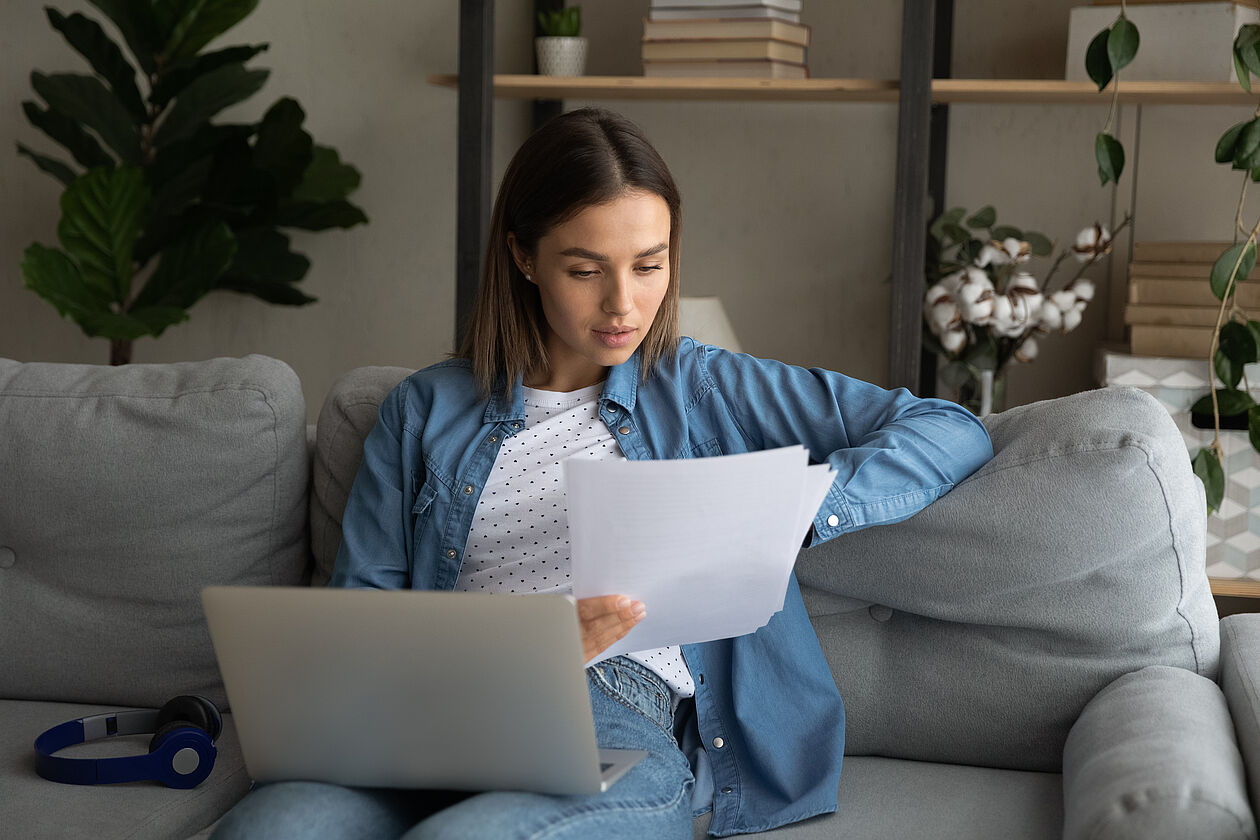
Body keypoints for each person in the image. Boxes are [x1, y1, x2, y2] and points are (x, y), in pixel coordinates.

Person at [212, 107, 993, 839]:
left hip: (611, 702)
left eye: (649, 265)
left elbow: (947, 428)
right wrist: (531, 641)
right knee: (271, 827)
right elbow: (363, 623)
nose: (626, 303)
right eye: (586, 270)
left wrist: (800, 511)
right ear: (523, 255)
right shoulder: (422, 411)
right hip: (433, 705)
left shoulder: (703, 385)